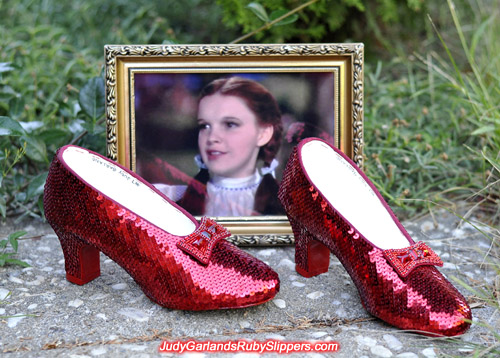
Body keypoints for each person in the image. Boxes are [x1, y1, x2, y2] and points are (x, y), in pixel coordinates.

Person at [155, 76, 284, 216]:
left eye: (230, 124)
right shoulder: (166, 200)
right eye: (205, 126)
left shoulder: (290, 209)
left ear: (263, 134)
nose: (212, 137)